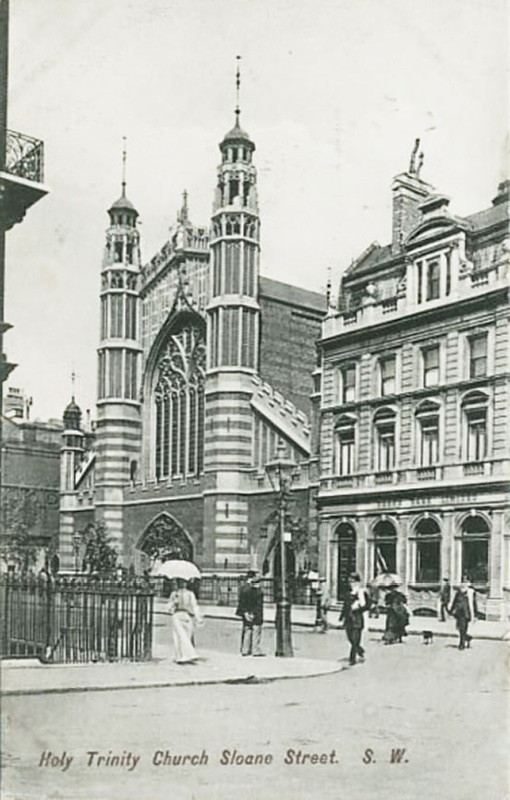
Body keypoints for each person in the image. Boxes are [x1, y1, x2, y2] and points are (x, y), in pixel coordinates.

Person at [167, 579, 203, 664]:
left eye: (183, 582)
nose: (182, 584)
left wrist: (198, 617)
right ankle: (181, 656)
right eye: (181, 582)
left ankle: (185, 655)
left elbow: (194, 606)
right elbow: (169, 607)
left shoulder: (189, 594)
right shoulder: (175, 594)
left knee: (185, 635)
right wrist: (173, 603)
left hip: (185, 615)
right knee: (180, 636)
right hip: (179, 615)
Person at [339, 573, 370, 665]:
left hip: (357, 619)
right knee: (350, 638)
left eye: (353, 581)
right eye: (349, 581)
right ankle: (360, 650)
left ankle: (352, 659)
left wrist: (358, 608)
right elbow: (345, 606)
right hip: (349, 619)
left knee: (355, 638)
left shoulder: (362, 592)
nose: (351, 583)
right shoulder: (348, 593)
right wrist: (341, 616)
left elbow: (367, 605)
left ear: (357, 582)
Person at [236, 573, 265, 656]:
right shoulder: (254, 590)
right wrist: (252, 613)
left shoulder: (243, 588)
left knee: (247, 630)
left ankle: (245, 649)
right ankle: (255, 650)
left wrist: (245, 613)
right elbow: (256, 603)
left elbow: (242, 602)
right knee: (256, 631)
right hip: (255, 613)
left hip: (246, 612)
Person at [449, 576, 478, 650]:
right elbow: (455, 601)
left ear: (469, 583)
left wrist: (475, 614)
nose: (464, 583)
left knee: (463, 628)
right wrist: (451, 610)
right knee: (459, 628)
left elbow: (474, 603)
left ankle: (461, 644)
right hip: (459, 613)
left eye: (466, 582)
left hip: (466, 613)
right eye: (463, 581)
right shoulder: (459, 592)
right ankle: (467, 637)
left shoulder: (471, 592)